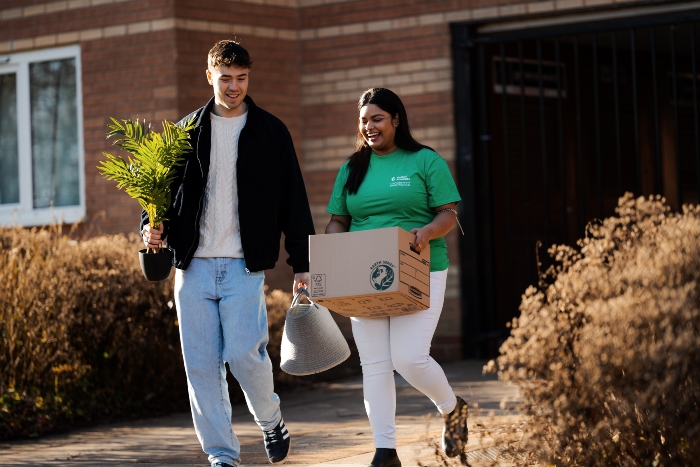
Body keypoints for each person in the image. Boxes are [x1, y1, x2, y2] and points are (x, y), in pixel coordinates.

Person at [140, 39, 315, 467]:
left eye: (241, 78)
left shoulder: (271, 132)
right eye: (225, 78)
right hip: (193, 267)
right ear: (209, 76)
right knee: (200, 368)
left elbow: (294, 200)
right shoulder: (185, 132)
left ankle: (270, 419)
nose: (234, 86)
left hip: (242, 265)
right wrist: (150, 227)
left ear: (248, 77)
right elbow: (156, 195)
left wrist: (303, 264)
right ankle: (222, 455)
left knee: (243, 355)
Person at [325, 88, 468, 467]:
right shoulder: (352, 168)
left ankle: (452, 408)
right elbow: (339, 219)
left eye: (377, 118)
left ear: (396, 120)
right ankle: (385, 451)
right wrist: (331, 254)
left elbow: (448, 214)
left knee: (408, 358)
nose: (369, 126)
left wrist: (426, 232)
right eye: (364, 119)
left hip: (419, 269)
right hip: (363, 274)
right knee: (373, 363)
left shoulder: (425, 161)